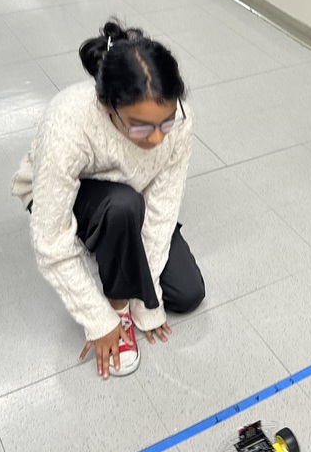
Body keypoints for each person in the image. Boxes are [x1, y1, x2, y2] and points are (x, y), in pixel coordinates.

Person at [12, 20, 205, 379]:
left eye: (165, 123)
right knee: (121, 205)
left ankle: (108, 255)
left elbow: (163, 206)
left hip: (136, 206)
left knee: (187, 294)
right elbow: (50, 240)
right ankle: (114, 297)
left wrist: (147, 303)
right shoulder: (68, 121)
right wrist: (100, 318)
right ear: (106, 106)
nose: (157, 139)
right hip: (79, 200)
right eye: (140, 126)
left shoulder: (180, 122)